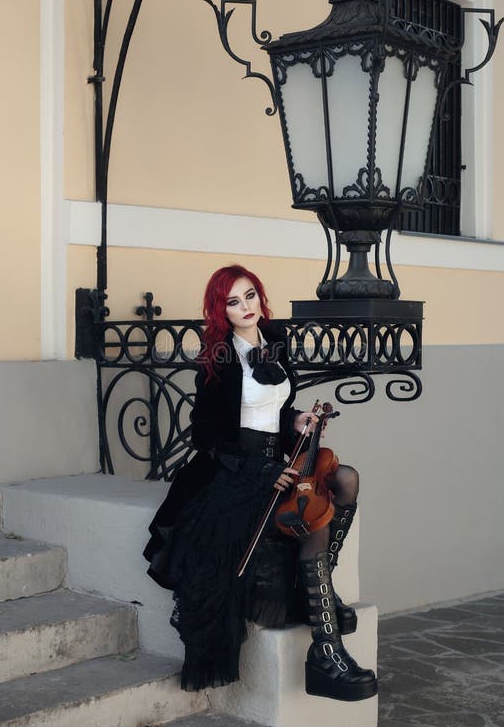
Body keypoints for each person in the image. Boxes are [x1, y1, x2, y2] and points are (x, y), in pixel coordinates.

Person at [143, 264, 377, 701]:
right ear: (221, 310)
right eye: (233, 301)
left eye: (249, 295)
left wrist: (297, 419)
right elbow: (206, 434)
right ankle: (326, 650)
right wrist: (262, 471)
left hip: (282, 458)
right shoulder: (219, 357)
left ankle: (326, 589)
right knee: (312, 523)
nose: (245, 306)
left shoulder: (275, 343)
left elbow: (273, 408)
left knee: (345, 479)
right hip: (239, 471)